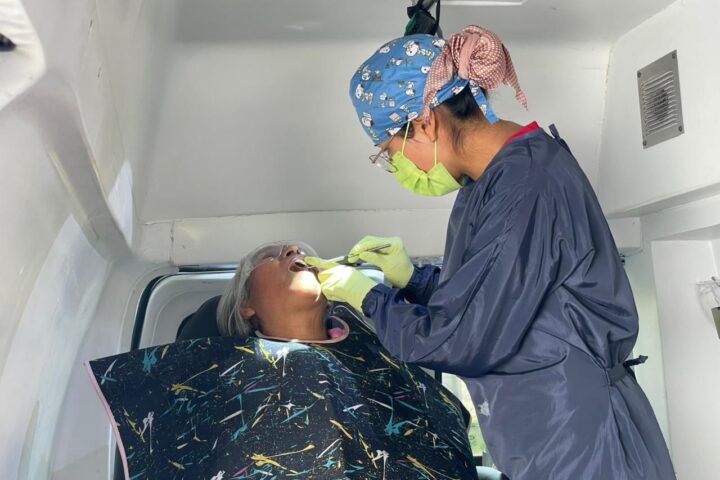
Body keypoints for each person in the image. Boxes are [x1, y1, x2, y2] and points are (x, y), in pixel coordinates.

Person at [305, 26, 676, 480]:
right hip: (554, 433)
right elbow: (502, 299)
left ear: (425, 123)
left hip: (583, 438)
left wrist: (369, 298)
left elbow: (466, 339)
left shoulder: (526, 186)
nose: (397, 167)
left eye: (389, 152)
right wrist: (413, 281)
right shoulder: (492, 182)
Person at [87, 241, 485, 480]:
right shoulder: (225, 378)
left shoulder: (379, 352)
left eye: (300, 252)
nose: (295, 251)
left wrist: (414, 282)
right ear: (246, 305)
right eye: (271, 256)